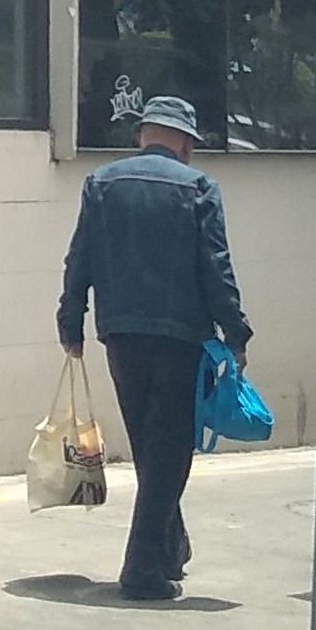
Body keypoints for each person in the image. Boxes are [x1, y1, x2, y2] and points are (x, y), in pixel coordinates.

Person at [56, 95, 253, 602]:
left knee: (150, 444)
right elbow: (216, 268)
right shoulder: (200, 188)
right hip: (180, 337)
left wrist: (71, 321)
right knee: (169, 450)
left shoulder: (100, 183)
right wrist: (236, 333)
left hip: (120, 333)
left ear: (142, 134)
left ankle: (170, 547)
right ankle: (141, 569)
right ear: (185, 143)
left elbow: (79, 258)